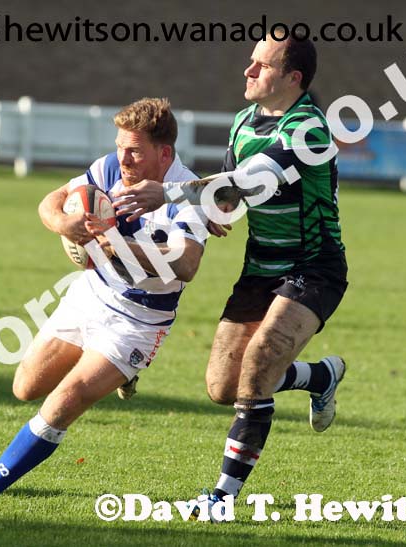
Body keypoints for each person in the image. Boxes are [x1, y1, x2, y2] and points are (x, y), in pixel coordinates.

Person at [113, 34, 348, 515]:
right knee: (224, 387)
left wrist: (172, 193)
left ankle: (222, 497)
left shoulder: (309, 130)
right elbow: (226, 193)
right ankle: (319, 375)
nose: (248, 71)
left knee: (259, 362)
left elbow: (252, 178)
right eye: (251, 62)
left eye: (261, 65)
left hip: (314, 265)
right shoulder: (243, 122)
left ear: (292, 78)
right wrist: (208, 210)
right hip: (259, 267)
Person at [0, 98, 207, 509]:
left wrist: (117, 243)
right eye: (120, 146)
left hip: (139, 321)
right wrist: (64, 224)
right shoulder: (109, 167)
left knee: (65, 399)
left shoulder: (186, 194)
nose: (123, 158)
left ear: (164, 154)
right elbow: (51, 202)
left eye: (135, 151)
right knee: (25, 388)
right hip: (90, 293)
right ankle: (118, 376)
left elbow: (187, 263)